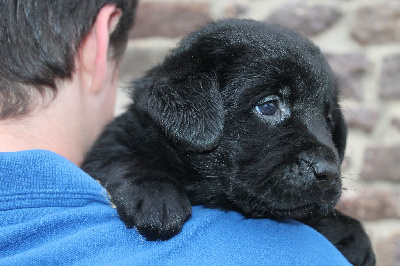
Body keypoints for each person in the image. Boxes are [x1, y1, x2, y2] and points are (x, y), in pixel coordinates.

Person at [0, 1, 350, 265]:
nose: (327, 162)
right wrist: (136, 175)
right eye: (270, 106)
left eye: (327, 119)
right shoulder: (296, 254)